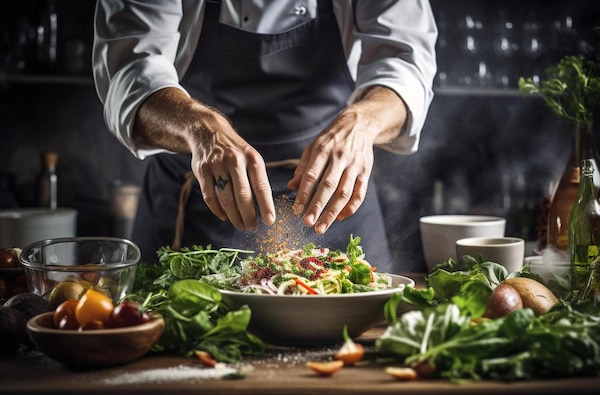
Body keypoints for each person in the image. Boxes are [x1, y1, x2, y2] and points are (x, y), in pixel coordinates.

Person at [92, 0, 438, 270]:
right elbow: (128, 67)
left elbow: (407, 60)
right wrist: (201, 128)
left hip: (334, 204)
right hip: (195, 206)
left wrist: (362, 123)